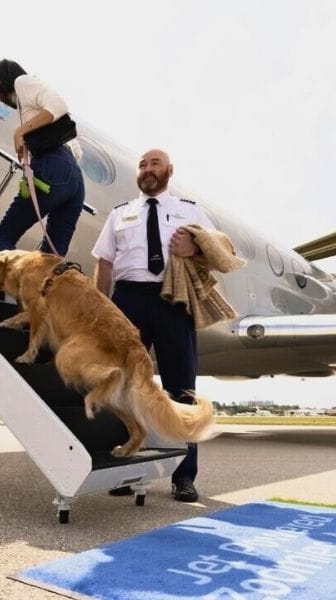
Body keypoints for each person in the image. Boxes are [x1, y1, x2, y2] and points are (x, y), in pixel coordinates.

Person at [91, 148, 216, 503]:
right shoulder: (120, 214)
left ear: (169, 171)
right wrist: (101, 313)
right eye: (143, 165)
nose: (147, 169)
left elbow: (220, 250)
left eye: (154, 164)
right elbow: (104, 264)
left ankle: (184, 476)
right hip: (128, 302)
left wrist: (194, 248)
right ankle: (125, 471)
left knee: (182, 389)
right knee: (123, 389)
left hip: (173, 302)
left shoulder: (190, 210)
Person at [0, 59, 85, 256]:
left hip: (54, 165)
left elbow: (59, 104)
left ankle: (18, 284)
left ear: (0, 82)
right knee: (50, 257)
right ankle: (40, 284)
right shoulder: (27, 106)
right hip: (73, 177)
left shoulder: (22, 82)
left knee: (3, 237)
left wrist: (20, 132)